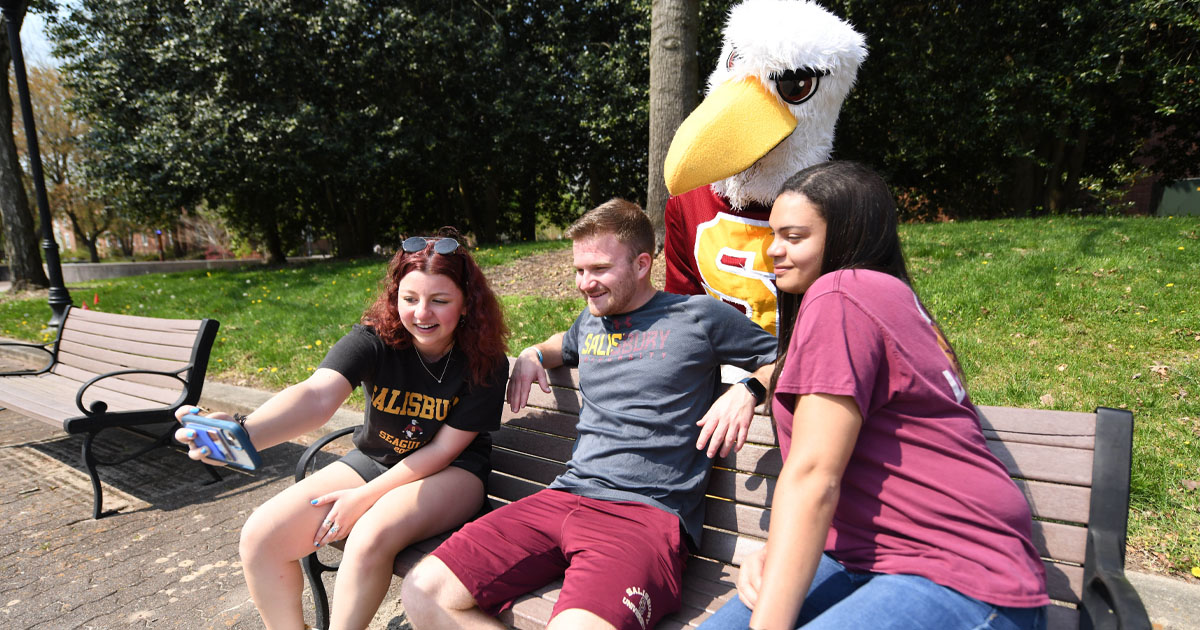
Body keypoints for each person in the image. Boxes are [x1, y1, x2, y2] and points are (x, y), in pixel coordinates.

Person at [698, 161, 1049, 630]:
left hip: (960, 571)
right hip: (861, 556)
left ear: (847, 234)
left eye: (794, 237)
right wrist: (779, 553)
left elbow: (814, 475)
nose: (773, 251)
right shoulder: (883, 295)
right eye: (773, 235)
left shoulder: (841, 293)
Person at [400, 199, 778, 630]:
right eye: (579, 270)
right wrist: (533, 353)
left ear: (641, 264)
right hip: (563, 497)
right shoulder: (592, 320)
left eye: (598, 269)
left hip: (644, 518)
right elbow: (564, 342)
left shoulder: (698, 317)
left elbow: (789, 357)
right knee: (422, 590)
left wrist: (749, 388)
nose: (585, 283)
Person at [174, 229, 509, 630]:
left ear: (467, 304)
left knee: (370, 532)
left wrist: (363, 497)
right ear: (394, 297)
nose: (422, 313)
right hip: (376, 459)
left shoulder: (483, 362)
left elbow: (441, 452)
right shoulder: (374, 339)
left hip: (452, 472)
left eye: (440, 301)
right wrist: (243, 432)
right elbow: (316, 396)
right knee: (260, 536)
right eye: (410, 299)